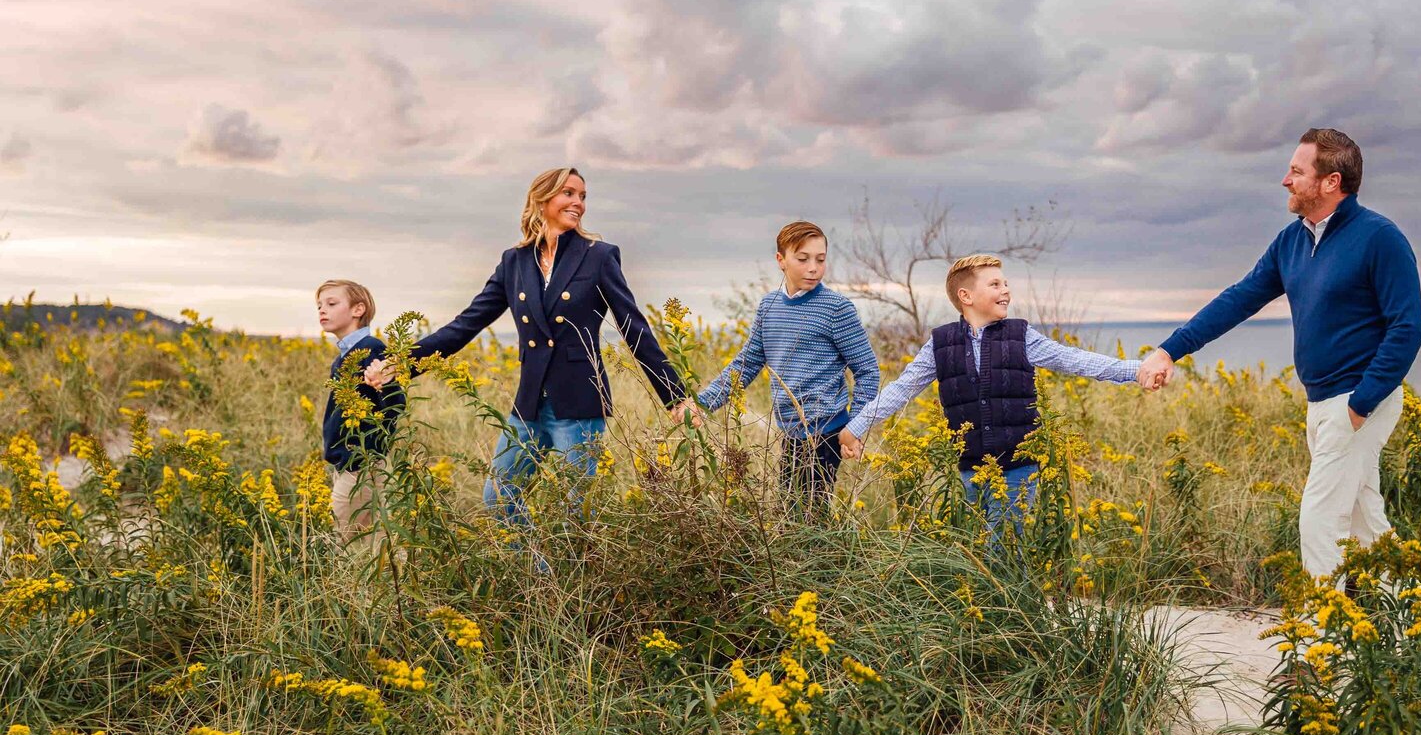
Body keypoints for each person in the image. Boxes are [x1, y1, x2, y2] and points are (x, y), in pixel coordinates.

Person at [1136, 128, 1421, 580]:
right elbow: (1239, 298)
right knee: (1365, 523)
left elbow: (1407, 329)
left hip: (1359, 401)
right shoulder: (1291, 242)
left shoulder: (1379, 238)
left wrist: (1361, 405)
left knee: (1320, 521)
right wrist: (1171, 350)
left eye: (1296, 170)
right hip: (1322, 401)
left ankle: (1323, 642)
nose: (1285, 181)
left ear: (1331, 181)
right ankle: (1409, 630)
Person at [365, 167, 686, 531]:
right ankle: (540, 575)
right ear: (542, 198)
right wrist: (401, 363)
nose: (578, 203)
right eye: (568, 193)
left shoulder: (599, 256)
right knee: (499, 497)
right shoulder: (514, 262)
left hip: (580, 405)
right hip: (530, 404)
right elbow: (465, 324)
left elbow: (634, 327)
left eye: (582, 196)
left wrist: (675, 396)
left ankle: (576, 585)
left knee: (574, 514)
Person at [840, 253, 1144, 530]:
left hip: (1017, 467)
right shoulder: (941, 343)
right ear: (966, 296)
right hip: (969, 469)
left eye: (1006, 283)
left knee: (1008, 548)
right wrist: (855, 428)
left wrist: (1136, 370)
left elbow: (1075, 360)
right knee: (974, 547)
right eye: (995, 284)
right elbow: (902, 389)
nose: (1006, 290)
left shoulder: (1021, 336)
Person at [682, 220, 879, 514]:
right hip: (790, 431)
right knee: (790, 512)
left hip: (826, 430)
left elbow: (868, 371)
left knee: (810, 515)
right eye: (803, 259)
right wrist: (702, 404)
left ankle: (823, 560)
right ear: (781, 260)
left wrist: (856, 427)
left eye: (820, 259)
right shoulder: (769, 305)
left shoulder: (837, 309)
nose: (813, 267)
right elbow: (746, 364)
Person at [316, 279, 405, 535]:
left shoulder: (371, 349)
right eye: (319, 305)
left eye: (332, 303)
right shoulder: (345, 356)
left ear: (358, 310)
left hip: (360, 463)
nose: (322, 310)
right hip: (350, 462)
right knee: (371, 539)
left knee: (348, 539)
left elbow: (395, 404)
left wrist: (383, 386)